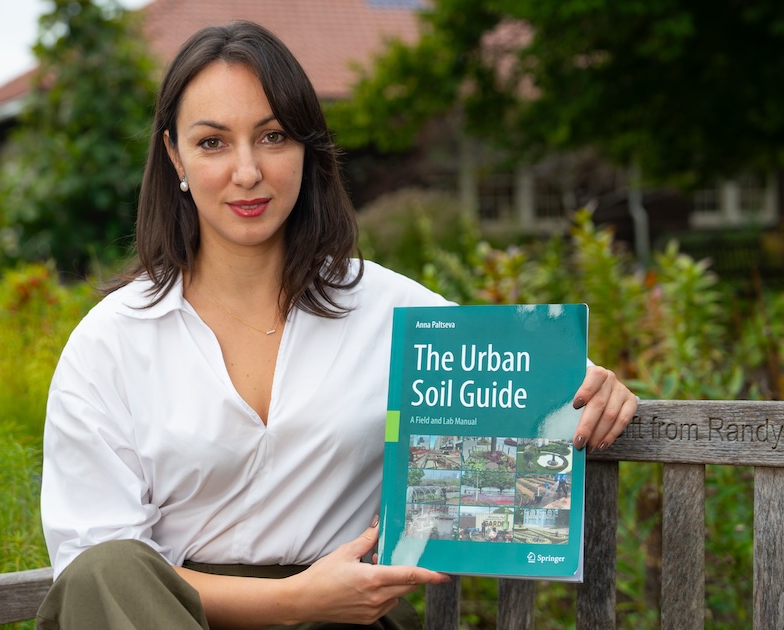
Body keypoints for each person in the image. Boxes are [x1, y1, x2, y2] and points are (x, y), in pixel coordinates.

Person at [38, 20, 638, 630]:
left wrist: (588, 386)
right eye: (213, 143)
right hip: (170, 617)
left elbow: (515, 377)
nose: (247, 172)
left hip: (344, 619)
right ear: (175, 157)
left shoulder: (384, 308)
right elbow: (91, 567)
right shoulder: (111, 341)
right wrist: (294, 599)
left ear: (305, 148)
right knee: (105, 571)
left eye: (272, 137)